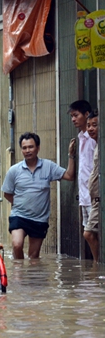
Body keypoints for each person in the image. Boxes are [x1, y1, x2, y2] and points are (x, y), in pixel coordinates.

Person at [1, 132, 76, 259]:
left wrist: (71, 156)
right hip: (19, 216)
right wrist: (22, 203)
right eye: (24, 148)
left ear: (38, 148)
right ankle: (19, 274)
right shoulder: (14, 170)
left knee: (34, 257)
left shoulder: (48, 166)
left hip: (39, 219)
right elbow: (7, 194)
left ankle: (30, 278)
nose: (27, 150)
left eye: (31, 147)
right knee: (17, 244)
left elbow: (69, 176)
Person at [69, 100, 97, 248]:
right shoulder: (81, 137)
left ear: (86, 114)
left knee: (90, 233)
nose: (73, 119)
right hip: (84, 195)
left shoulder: (93, 138)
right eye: (72, 116)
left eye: (76, 115)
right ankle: (95, 266)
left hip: (93, 195)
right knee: (89, 232)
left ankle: (96, 264)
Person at [84, 111, 100, 261]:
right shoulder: (97, 145)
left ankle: (97, 264)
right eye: (88, 125)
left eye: (94, 125)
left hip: (99, 200)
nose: (90, 129)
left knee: (88, 233)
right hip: (95, 199)